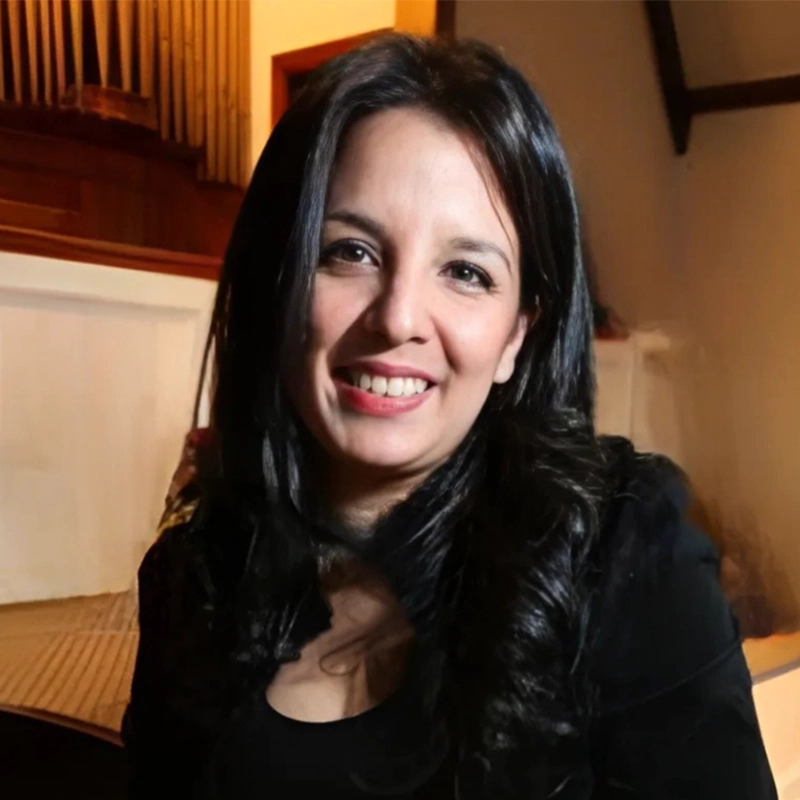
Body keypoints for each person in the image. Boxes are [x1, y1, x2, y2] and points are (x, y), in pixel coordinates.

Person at [122, 34, 777, 800]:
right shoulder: (193, 578)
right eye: (350, 253)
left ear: (515, 338)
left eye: (466, 272)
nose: (398, 317)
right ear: (280, 282)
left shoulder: (629, 558)